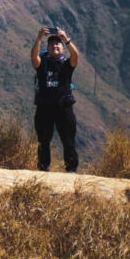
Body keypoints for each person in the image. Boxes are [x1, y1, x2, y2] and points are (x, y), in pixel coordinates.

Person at [30, 25, 80, 172]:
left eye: (58, 43)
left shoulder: (66, 64)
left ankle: (71, 170)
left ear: (63, 48)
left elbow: (76, 56)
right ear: (48, 47)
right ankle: (43, 168)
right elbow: (33, 57)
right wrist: (38, 39)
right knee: (43, 141)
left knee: (68, 141)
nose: (55, 45)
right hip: (44, 107)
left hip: (63, 107)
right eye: (52, 43)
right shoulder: (42, 63)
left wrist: (66, 39)